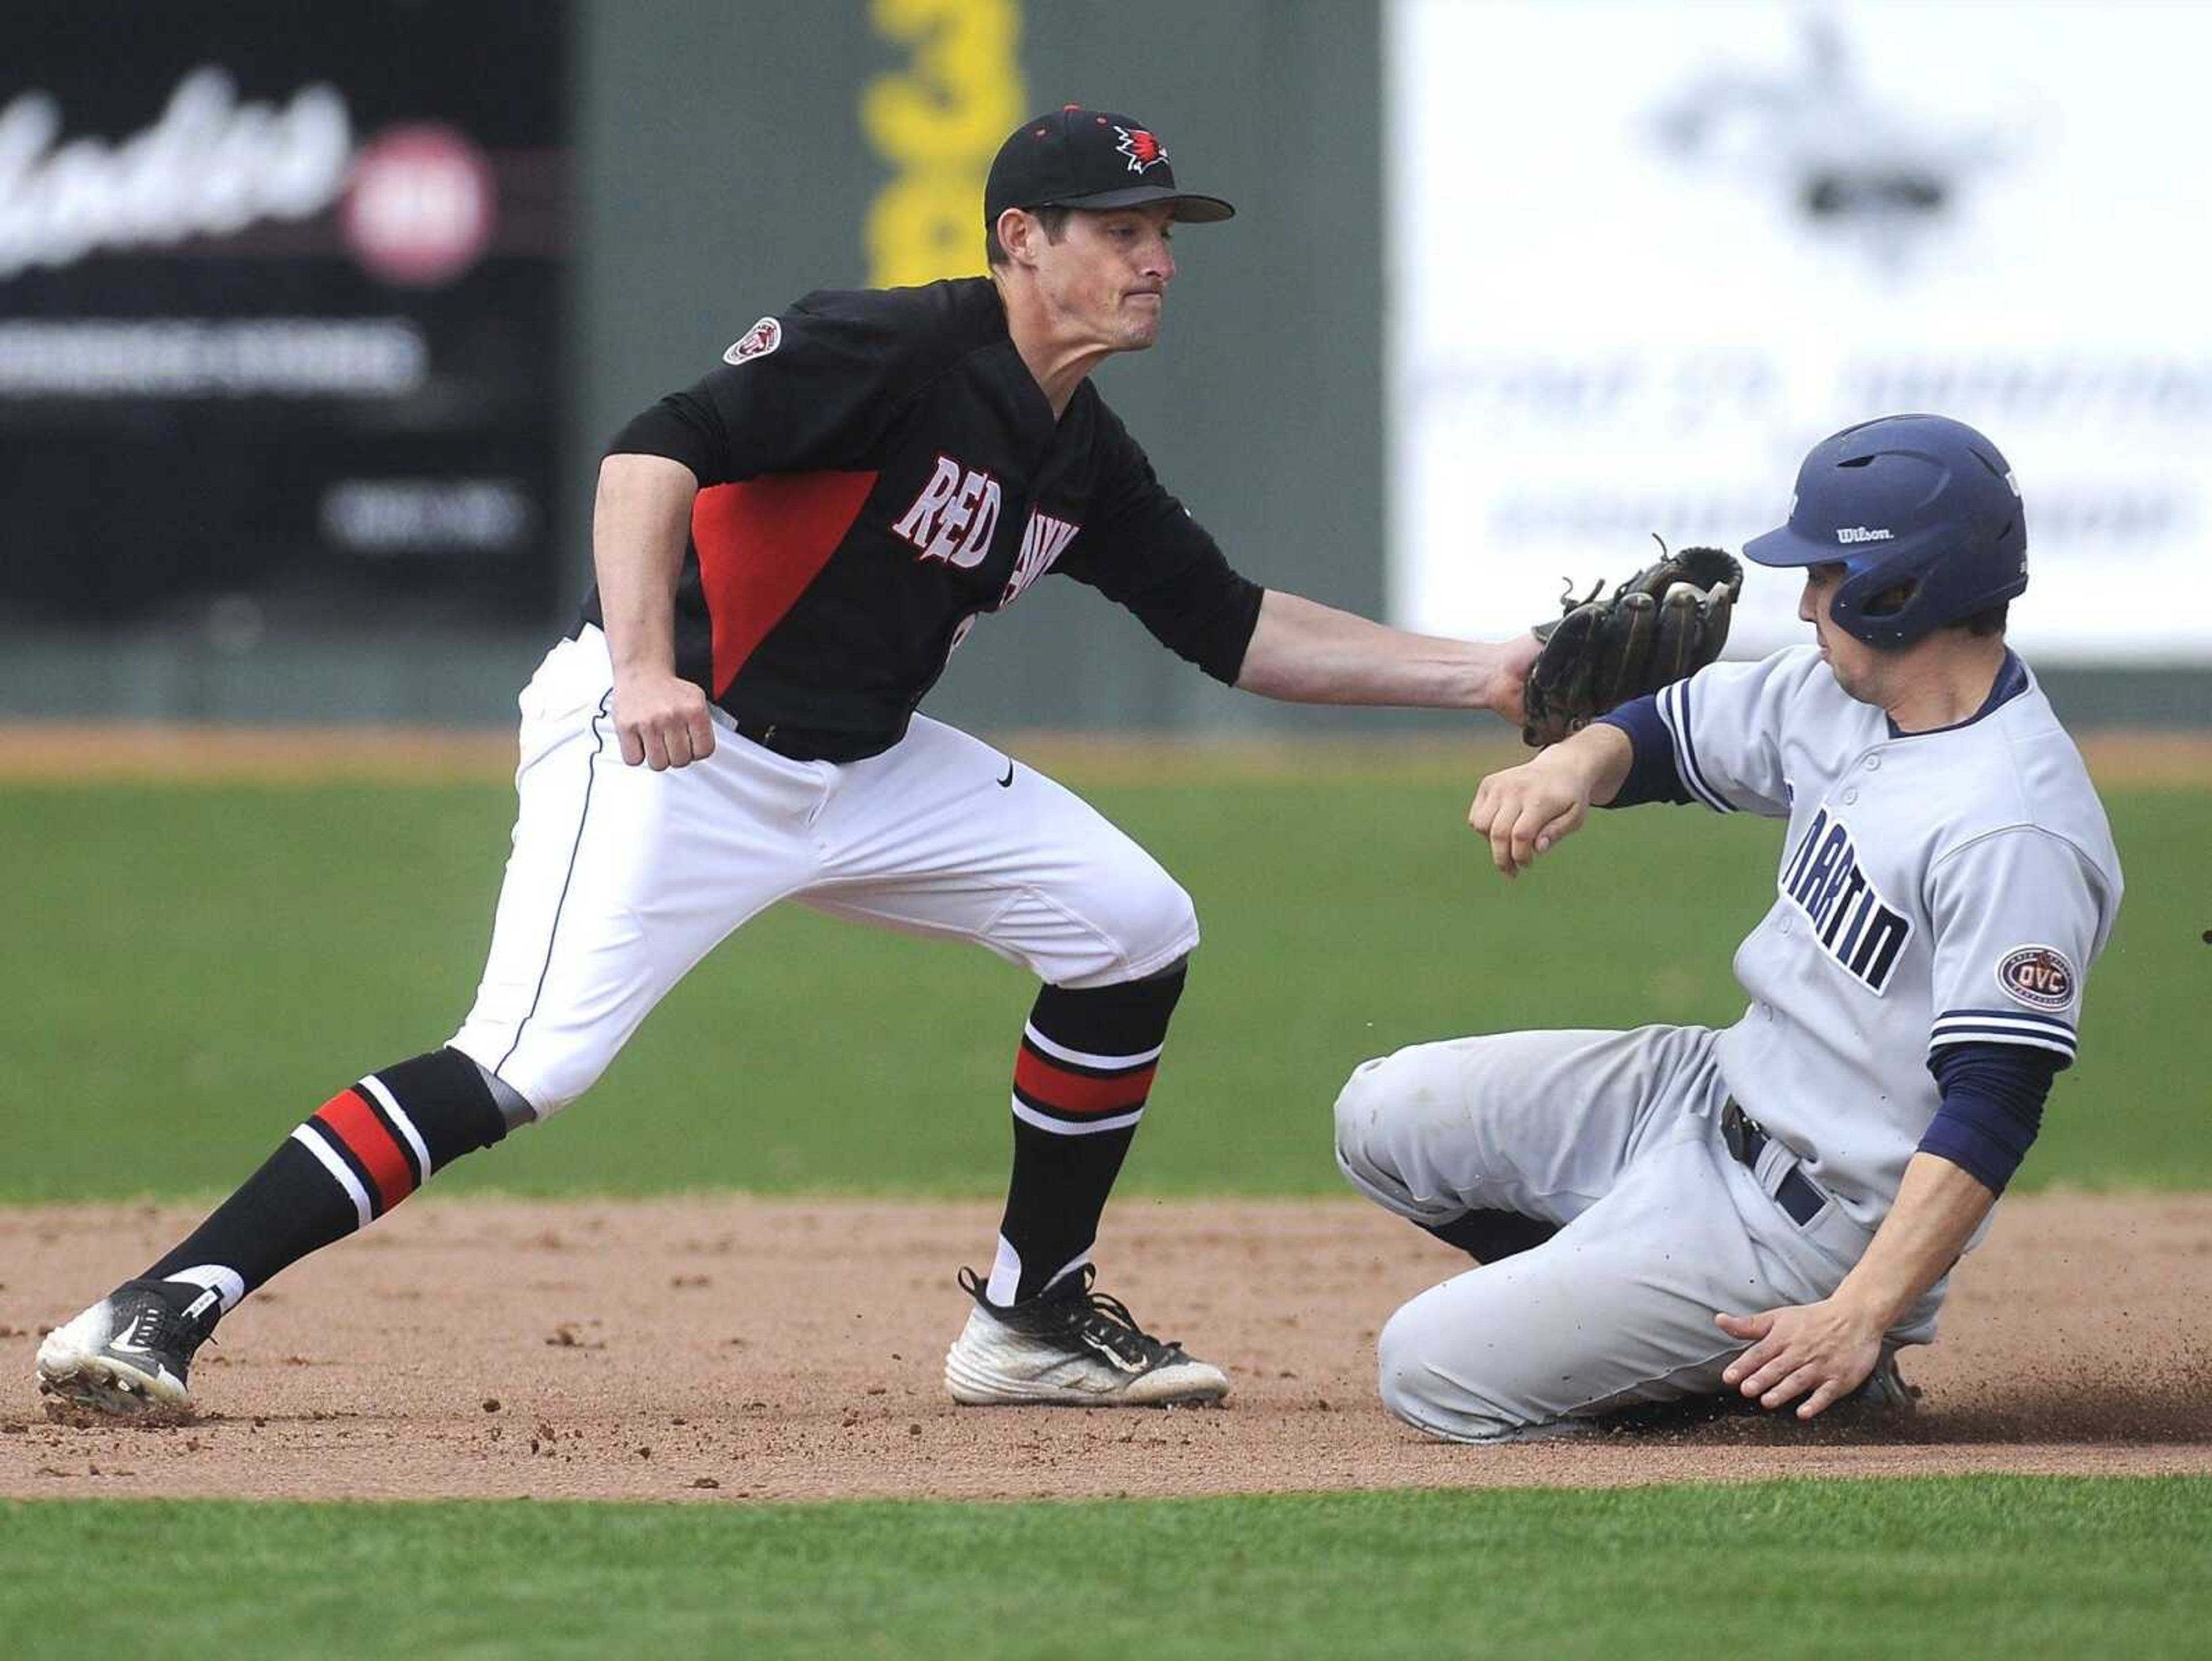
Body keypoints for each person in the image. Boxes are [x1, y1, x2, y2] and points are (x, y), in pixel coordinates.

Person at [38, 106, 1548, 1418]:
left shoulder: (1081, 447)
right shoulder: (895, 347)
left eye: (1168, 230)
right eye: (1122, 227)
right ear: (1022, 236)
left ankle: (1031, 1317)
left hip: (862, 767)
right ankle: (160, 1302)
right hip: (669, 744)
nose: (1156, 256)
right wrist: (643, 664)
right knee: (523, 1059)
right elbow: (650, 454)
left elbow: (1234, 626)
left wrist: (1485, 673)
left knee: (1134, 924)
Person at [1332, 414, 2123, 1441]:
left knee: (1430, 1372)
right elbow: (1668, 734)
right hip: (1701, 1090)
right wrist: (1570, 766)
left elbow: (1996, 1107)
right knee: (1382, 1119)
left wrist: (1859, 1314)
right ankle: (1639, 1298)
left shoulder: (2012, 826)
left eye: (1826, 576)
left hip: (1813, 1231)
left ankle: (1788, 1368)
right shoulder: (1846, 697)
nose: (1803, 603)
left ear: (1901, 593)